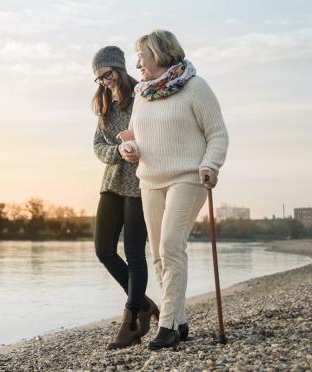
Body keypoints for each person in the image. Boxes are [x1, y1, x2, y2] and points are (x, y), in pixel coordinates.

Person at [121, 30, 229, 350]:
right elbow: (140, 138)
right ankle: (179, 320)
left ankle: (166, 327)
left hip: (188, 177)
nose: (137, 62)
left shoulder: (195, 86)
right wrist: (130, 148)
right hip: (150, 180)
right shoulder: (143, 93)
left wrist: (211, 164)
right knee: (157, 255)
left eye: (141, 55)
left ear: (159, 53)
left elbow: (217, 133)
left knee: (170, 245)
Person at [91, 46, 159, 350]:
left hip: (140, 183)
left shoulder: (143, 97)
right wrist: (116, 152)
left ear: (119, 68)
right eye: (99, 78)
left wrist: (136, 146)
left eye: (107, 74)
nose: (105, 81)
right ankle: (143, 304)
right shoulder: (104, 103)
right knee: (103, 249)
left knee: (134, 252)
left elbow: (157, 135)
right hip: (112, 182)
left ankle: (131, 320)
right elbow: (97, 145)